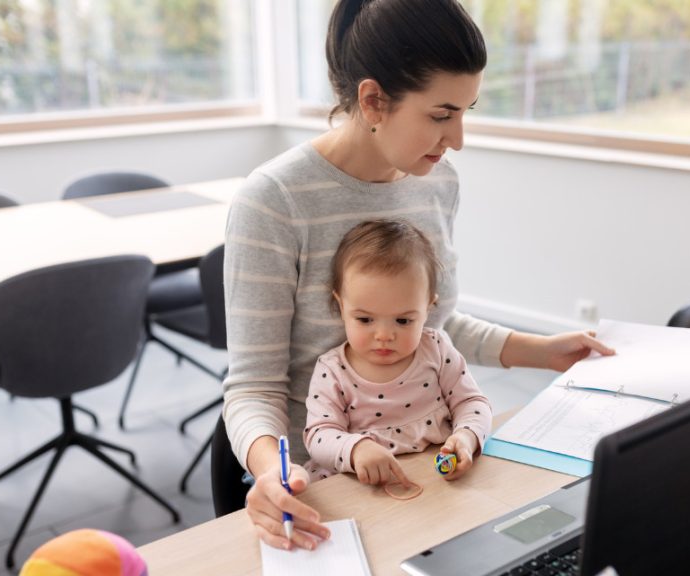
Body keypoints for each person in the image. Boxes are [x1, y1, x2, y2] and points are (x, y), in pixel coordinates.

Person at [223, 0, 614, 552]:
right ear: (374, 100)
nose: (457, 138)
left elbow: (437, 324)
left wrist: (541, 351)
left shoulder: (436, 182)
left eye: (465, 112)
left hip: (429, 464)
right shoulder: (274, 200)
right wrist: (271, 471)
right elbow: (253, 386)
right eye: (440, 114)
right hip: (321, 481)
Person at [304, 219, 492, 487]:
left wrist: (467, 437)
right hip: (360, 486)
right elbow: (319, 435)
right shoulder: (332, 369)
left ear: (428, 308)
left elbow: (472, 403)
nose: (384, 335)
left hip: (435, 479)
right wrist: (356, 449)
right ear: (341, 306)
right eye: (365, 320)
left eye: (403, 321)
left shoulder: (436, 350)